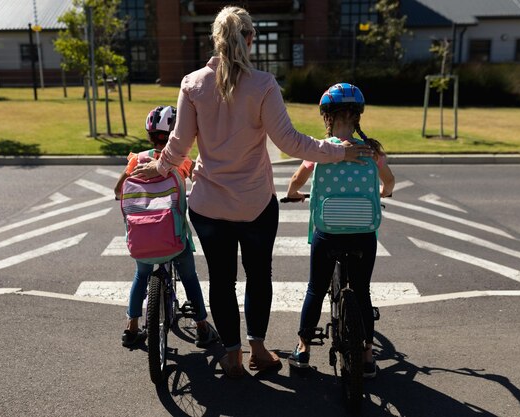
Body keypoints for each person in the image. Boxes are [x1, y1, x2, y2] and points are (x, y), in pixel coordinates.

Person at [131, 7, 374, 379]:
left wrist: (160, 167)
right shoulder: (263, 84)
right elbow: (291, 142)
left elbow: (178, 144)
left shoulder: (193, 83)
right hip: (256, 205)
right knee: (259, 277)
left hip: (209, 206)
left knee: (222, 280)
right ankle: (258, 348)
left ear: (216, 39)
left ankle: (232, 356)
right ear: (249, 39)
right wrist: (340, 151)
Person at [285, 83, 395, 378]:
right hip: (363, 231)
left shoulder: (322, 151)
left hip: (328, 230)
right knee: (362, 291)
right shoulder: (371, 151)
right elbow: (390, 182)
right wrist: (383, 192)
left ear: (327, 118)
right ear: (357, 116)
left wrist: (294, 192)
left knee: (315, 288)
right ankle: (368, 355)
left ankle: (303, 348)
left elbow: (298, 178)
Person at [114, 105, 219, 350]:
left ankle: (131, 328)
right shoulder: (181, 162)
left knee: (141, 275)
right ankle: (202, 327)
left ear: (149, 135)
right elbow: (201, 183)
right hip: (174, 238)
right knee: (189, 277)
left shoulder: (137, 160)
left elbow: (119, 191)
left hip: (142, 239)